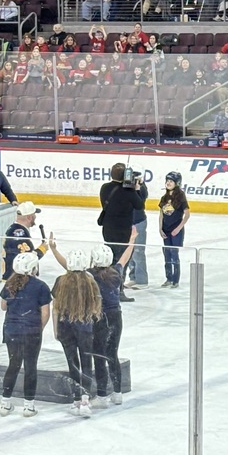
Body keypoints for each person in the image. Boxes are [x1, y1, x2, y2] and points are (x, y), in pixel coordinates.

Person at [49, 246, 102, 417]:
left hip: (65, 328)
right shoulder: (90, 280)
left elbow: (55, 308)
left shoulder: (60, 281)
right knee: (87, 363)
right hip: (85, 327)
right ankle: (85, 399)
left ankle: (76, 399)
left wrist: (55, 329)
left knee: (72, 363)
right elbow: (97, 304)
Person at [0, 252, 52, 418]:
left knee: (13, 364)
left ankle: (5, 404)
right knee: (30, 366)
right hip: (31, 331)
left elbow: (3, 306)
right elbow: (45, 313)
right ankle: (29, 406)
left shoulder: (9, 284)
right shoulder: (41, 286)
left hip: (11, 330)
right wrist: (38, 328)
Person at [88, 230, 137, 409]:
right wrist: (131, 240)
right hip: (116, 317)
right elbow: (124, 258)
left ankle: (101, 395)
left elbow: (69, 269)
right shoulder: (116, 273)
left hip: (99, 318)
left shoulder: (89, 275)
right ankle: (117, 393)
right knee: (112, 354)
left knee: (99, 356)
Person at [98, 163, 146, 299]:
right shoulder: (128, 191)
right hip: (123, 230)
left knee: (110, 258)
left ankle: (108, 287)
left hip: (108, 228)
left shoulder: (105, 188)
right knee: (122, 260)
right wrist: (136, 189)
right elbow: (139, 205)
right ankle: (118, 290)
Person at [2, 202, 49, 280]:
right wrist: (42, 249)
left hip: (13, 277)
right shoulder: (19, 233)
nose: (35, 217)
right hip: (15, 279)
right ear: (29, 217)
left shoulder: (15, 229)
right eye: (34, 215)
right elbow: (27, 259)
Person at [159, 171, 190, 288]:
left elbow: (187, 214)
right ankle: (168, 278)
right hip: (166, 230)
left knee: (174, 254)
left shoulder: (181, 196)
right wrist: (160, 228)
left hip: (176, 230)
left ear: (177, 183)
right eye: (167, 181)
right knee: (166, 253)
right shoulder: (164, 197)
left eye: (171, 181)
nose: (168, 183)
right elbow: (161, 214)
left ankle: (175, 280)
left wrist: (178, 228)